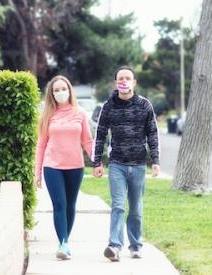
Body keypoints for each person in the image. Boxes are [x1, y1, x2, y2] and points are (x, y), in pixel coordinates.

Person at [93, 65, 160, 262]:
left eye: (128, 78)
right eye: (120, 78)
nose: (124, 81)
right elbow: (101, 135)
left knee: (136, 209)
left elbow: (153, 134)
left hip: (138, 165)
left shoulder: (145, 105)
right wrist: (97, 161)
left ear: (134, 82)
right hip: (117, 165)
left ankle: (136, 246)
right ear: (116, 83)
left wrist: (155, 161)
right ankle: (114, 246)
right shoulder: (108, 106)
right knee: (119, 206)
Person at [34, 75, 94, 260]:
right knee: (59, 204)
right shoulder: (47, 115)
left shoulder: (80, 113)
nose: (60, 93)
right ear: (51, 94)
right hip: (52, 166)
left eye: (63, 89)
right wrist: (37, 173)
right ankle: (63, 243)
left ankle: (64, 242)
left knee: (70, 204)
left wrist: (97, 161)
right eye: (56, 90)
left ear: (70, 90)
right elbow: (41, 145)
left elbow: (87, 141)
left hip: (75, 166)